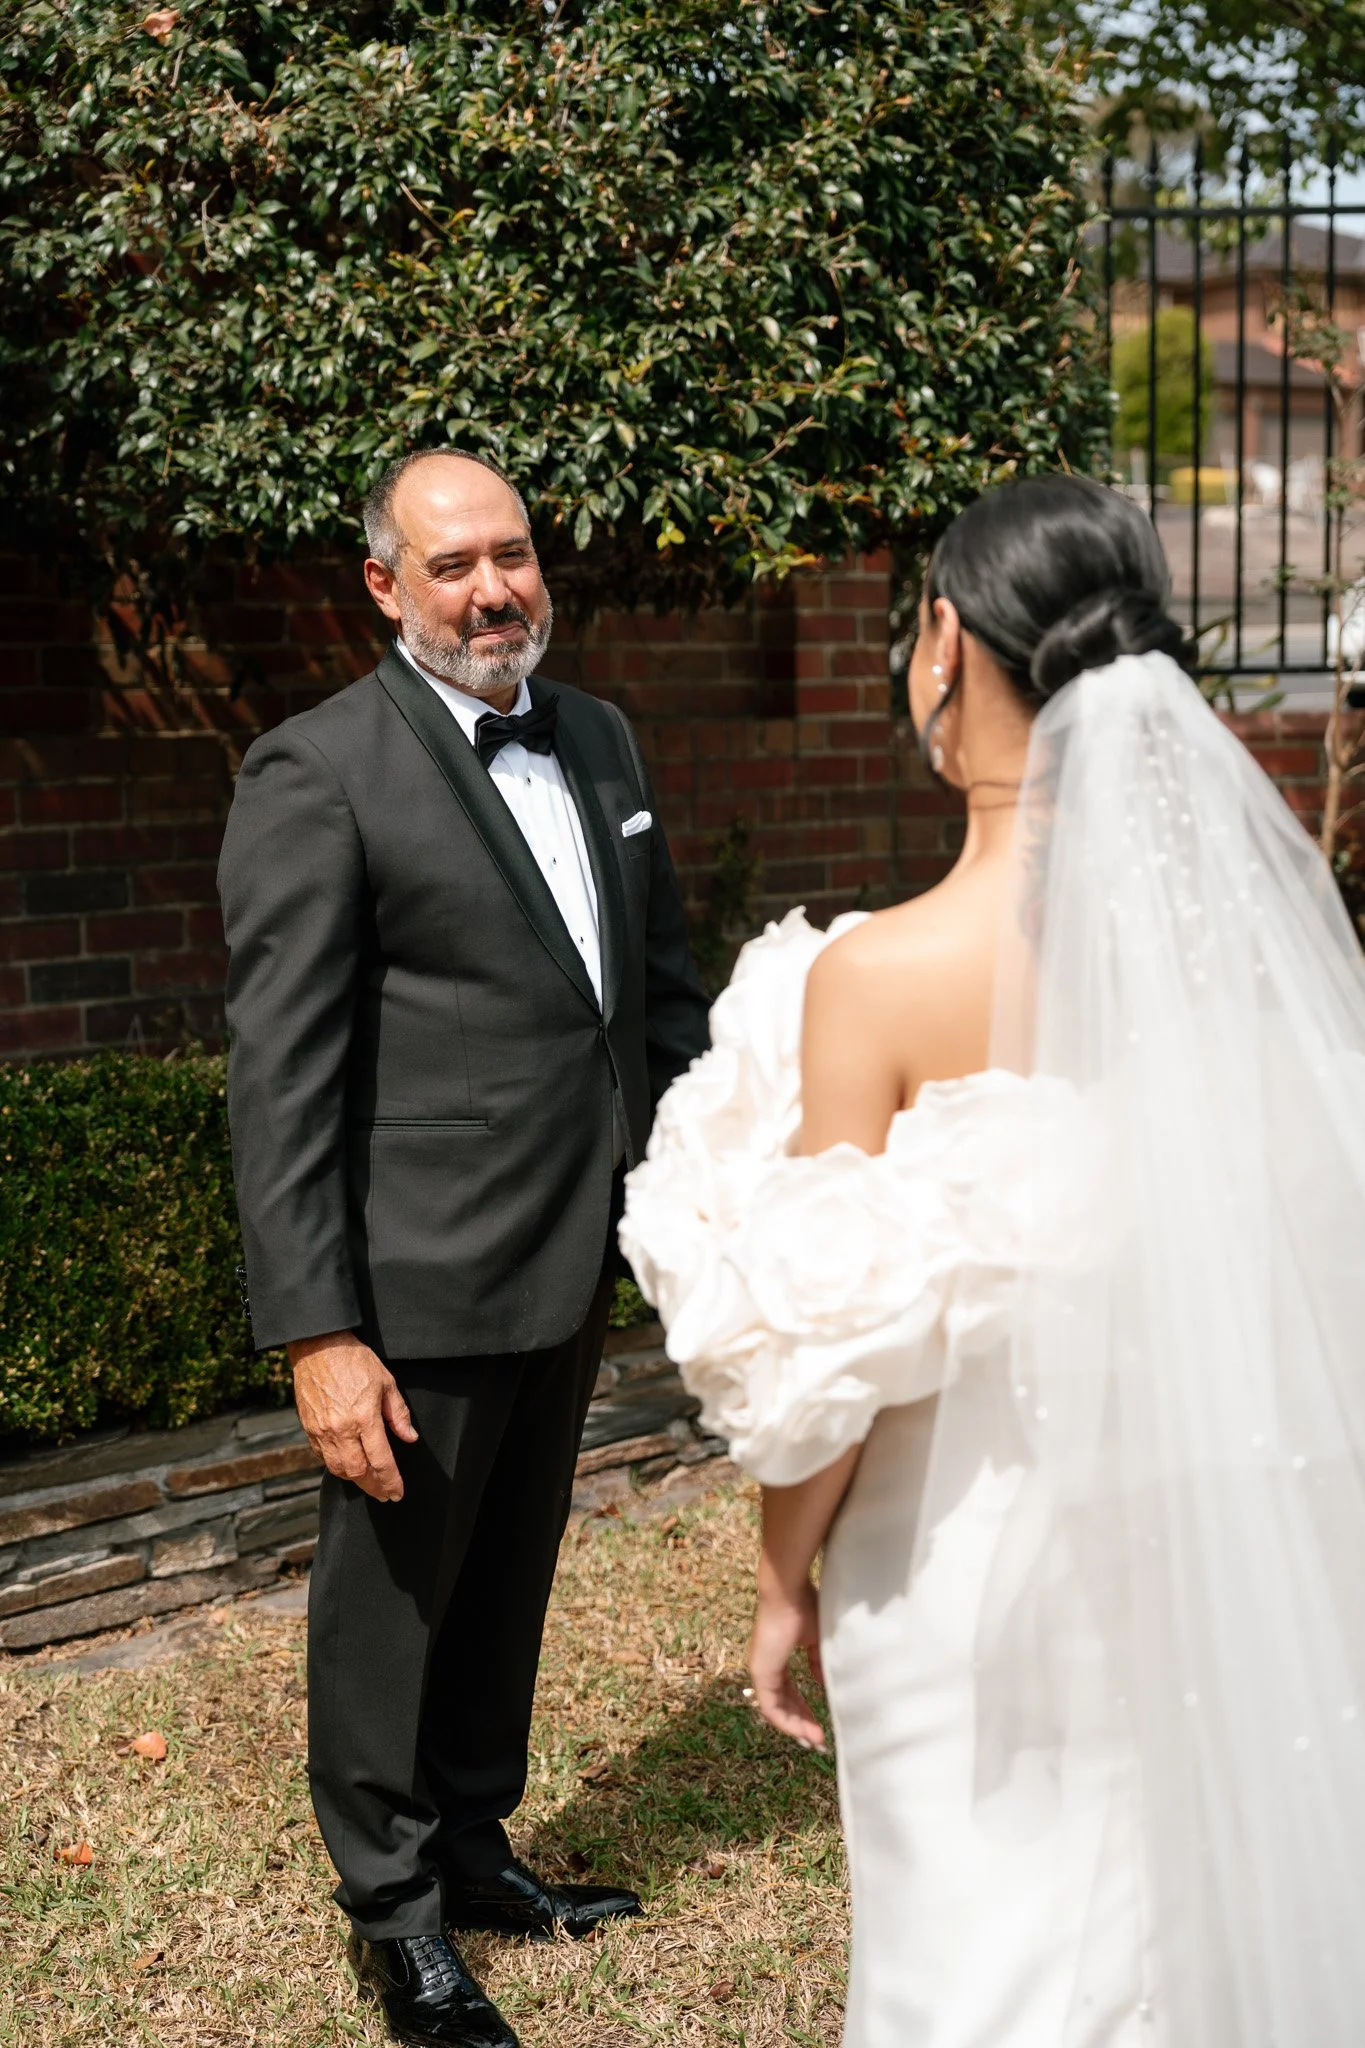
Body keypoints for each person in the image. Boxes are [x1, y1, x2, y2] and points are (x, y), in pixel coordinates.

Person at [621, 474, 1365, 2047]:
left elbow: (831, 1335)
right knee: (1162, 1926)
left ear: (945, 642)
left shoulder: (876, 979)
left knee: (974, 1945)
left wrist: (776, 1580)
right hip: (1180, 1521)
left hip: (955, 1552)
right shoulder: (1228, 960)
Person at [219, 448, 710, 2048]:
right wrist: (316, 1329)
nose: (495, 587)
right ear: (385, 585)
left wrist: (705, 1193)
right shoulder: (319, 769)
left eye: (513, 553)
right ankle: (398, 1920)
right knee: (395, 1612)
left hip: (573, 1259)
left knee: (508, 1584)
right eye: (453, 565)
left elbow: (652, 997)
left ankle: (480, 1846)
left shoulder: (602, 736)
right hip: (414, 1283)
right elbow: (282, 1073)